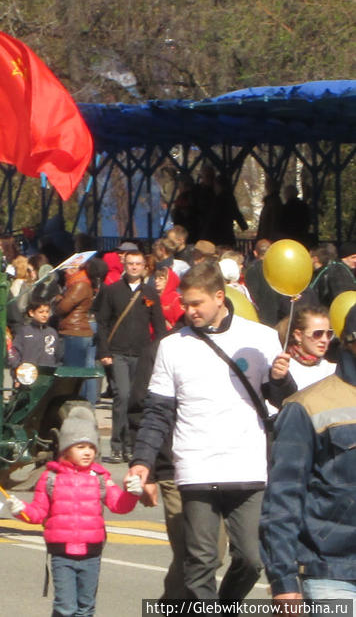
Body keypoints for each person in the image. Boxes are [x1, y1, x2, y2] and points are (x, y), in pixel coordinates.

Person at [127, 260, 296, 601]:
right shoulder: (172, 346)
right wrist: (142, 460)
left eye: (196, 303)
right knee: (201, 561)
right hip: (196, 466)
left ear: (220, 297)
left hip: (246, 465)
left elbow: (282, 402)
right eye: (185, 304)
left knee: (251, 559)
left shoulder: (259, 337)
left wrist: (279, 379)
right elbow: (157, 412)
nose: (189, 311)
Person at [260, 303, 356, 608]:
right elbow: (283, 498)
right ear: (352, 342)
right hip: (332, 571)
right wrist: (284, 581)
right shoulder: (307, 406)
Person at [7, 406, 139, 617]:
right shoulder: (51, 477)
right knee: (65, 607)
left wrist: (132, 494)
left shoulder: (99, 477)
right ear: (66, 449)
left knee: (86, 608)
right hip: (61, 554)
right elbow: (39, 512)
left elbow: (118, 505)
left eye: (91, 447)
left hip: (91, 552)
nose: (87, 452)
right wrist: (21, 511)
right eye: (80, 446)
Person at [96, 249, 166, 463]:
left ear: (145, 267)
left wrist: (160, 352)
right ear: (124, 265)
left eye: (138, 263)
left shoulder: (150, 293)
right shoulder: (112, 291)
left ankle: (132, 445)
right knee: (122, 396)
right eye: (130, 263)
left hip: (142, 353)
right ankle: (117, 444)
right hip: (118, 352)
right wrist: (104, 352)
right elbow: (103, 323)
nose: (134, 267)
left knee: (138, 400)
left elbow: (159, 325)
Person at [51, 262, 97, 405]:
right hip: (75, 331)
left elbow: (63, 308)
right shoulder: (74, 284)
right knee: (80, 371)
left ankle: (78, 403)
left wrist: (58, 299)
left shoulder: (79, 285)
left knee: (74, 374)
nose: (67, 272)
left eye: (72, 268)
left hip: (76, 331)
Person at [282, 305, 336, 390]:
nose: (325, 340)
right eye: (317, 334)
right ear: (298, 335)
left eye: (329, 334)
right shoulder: (283, 367)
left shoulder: (334, 370)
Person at [245, 239, 288, 327]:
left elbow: (251, 296)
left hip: (259, 318)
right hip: (280, 318)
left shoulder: (251, 270)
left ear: (255, 253)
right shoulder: (282, 268)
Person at [8, 300, 60, 371]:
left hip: (47, 373)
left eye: (47, 312)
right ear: (31, 313)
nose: (45, 315)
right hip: (28, 373)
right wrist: (18, 369)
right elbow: (14, 352)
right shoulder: (24, 331)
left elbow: (58, 355)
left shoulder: (52, 332)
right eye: (41, 312)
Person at [309, 243, 356, 309]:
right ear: (343, 258)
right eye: (353, 257)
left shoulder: (345, 269)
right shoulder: (339, 271)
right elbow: (342, 298)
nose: (355, 260)